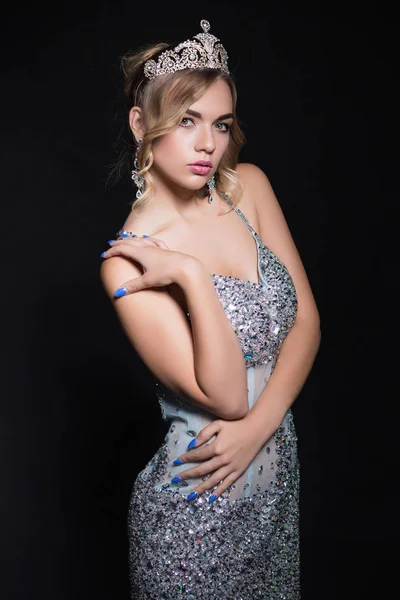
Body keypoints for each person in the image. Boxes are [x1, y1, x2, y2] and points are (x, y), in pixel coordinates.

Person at [100, 18, 320, 600]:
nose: (208, 144)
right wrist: (194, 278)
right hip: (192, 520)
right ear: (142, 124)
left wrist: (262, 426)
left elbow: (306, 323)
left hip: (274, 509)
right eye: (186, 121)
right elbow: (224, 397)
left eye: (220, 124)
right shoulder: (127, 263)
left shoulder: (247, 188)